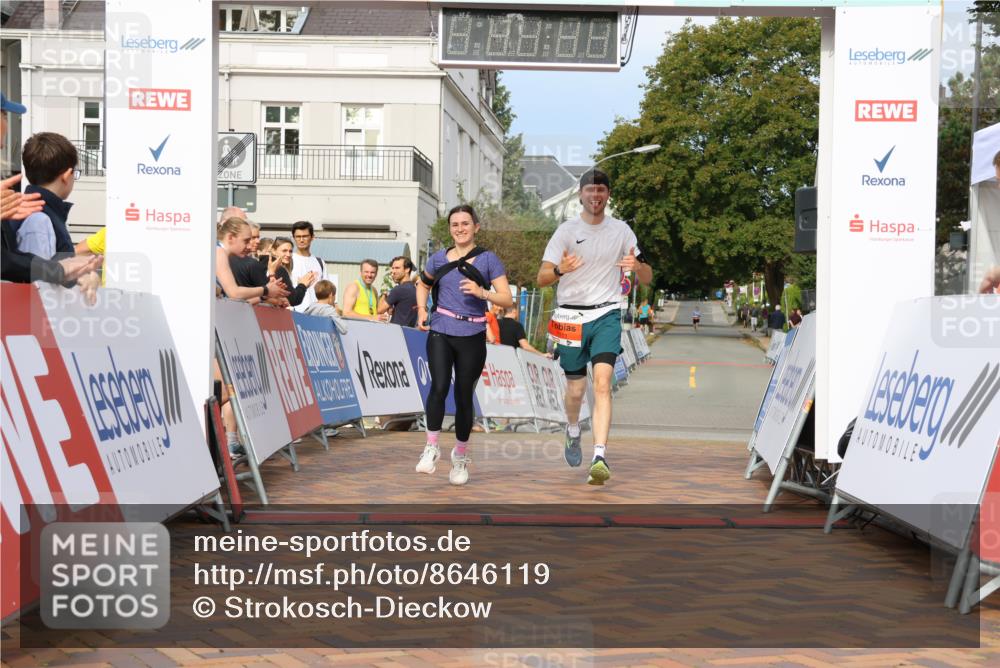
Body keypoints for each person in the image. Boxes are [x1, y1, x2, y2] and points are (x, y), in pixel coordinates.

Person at [537, 169, 652, 486]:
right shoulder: (565, 231)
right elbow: (542, 277)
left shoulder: (622, 231)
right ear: (581, 195)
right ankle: (573, 430)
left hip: (606, 314)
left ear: (608, 195)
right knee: (575, 390)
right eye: (590, 190)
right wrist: (562, 268)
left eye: (601, 190)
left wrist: (636, 266)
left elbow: (647, 277)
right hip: (571, 317)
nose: (596, 195)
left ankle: (599, 456)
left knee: (602, 383)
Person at [415, 204, 512, 486]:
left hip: (472, 332)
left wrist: (483, 292)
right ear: (450, 229)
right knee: (439, 385)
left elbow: (506, 298)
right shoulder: (436, 259)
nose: (460, 228)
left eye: (465, 223)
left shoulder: (488, 259)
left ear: (476, 227)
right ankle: (431, 447)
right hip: (441, 329)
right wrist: (422, 309)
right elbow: (423, 284)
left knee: (462, 395)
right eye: (455, 224)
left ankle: (459, 458)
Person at [11, 132, 78, 259]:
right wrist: (82, 279)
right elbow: (39, 276)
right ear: (67, 175)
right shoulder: (39, 219)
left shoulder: (35, 211)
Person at [215, 217, 286, 303]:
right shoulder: (219, 252)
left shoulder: (219, 252)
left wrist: (264, 296)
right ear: (230, 237)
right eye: (246, 241)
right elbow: (234, 293)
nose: (249, 246)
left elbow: (232, 300)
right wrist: (266, 290)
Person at [289, 220, 328, 312]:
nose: (301, 240)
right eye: (298, 237)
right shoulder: (288, 260)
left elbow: (326, 291)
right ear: (293, 238)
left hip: (316, 314)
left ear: (312, 237)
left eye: (305, 236)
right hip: (295, 313)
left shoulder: (320, 262)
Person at [271, 236, 316, 308]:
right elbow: (294, 299)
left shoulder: (266, 266)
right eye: (284, 251)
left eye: (290, 251)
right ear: (273, 251)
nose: (288, 254)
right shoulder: (279, 270)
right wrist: (303, 285)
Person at [378, 255, 419, 327]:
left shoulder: (398, 289)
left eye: (397, 268)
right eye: (393, 268)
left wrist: (384, 294)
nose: (393, 271)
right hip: (409, 331)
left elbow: (379, 310)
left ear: (407, 269)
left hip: (396, 332)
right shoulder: (415, 289)